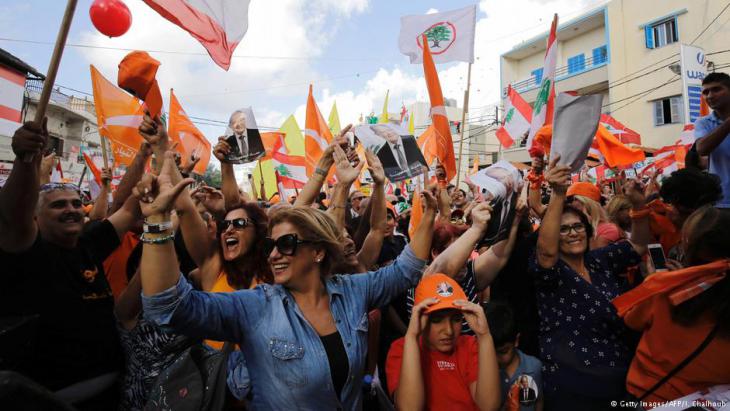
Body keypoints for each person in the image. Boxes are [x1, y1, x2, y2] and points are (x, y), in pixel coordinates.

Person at [138, 154, 439, 409]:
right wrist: (156, 222)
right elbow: (169, 307)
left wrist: (430, 216)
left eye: (287, 244)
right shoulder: (255, 307)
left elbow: (404, 272)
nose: (273, 255)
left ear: (319, 251)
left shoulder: (353, 291)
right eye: (270, 246)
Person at [0, 120, 141, 409]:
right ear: (36, 217)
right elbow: (14, 213)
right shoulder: (26, 250)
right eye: (58, 205)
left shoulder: (88, 243)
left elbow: (128, 206)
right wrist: (26, 160)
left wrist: (148, 154)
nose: (72, 210)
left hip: (111, 395)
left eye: (77, 203)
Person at [531, 154, 651, 410]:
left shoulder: (601, 260)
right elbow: (547, 253)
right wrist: (558, 194)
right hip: (573, 389)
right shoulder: (550, 275)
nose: (573, 233)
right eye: (563, 229)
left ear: (588, 229)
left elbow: (639, 244)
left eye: (577, 226)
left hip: (623, 382)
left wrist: (640, 207)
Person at [614, 206, 730, 406]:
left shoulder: (666, 287)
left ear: (687, 245)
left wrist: (654, 281)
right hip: (712, 402)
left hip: (652, 396)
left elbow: (633, 321)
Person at [385, 274, 500, 411]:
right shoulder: (402, 348)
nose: (449, 331)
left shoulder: (470, 345)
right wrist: (412, 337)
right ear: (420, 318)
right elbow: (409, 408)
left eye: (456, 319)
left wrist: (484, 336)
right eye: (437, 320)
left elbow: (489, 406)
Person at [486, 301, 543, 411]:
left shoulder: (534, 368)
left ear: (516, 341)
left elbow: (539, 401)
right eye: (491, 353)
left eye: (503, 351)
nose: (496, 358)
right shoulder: (485, 373)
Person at [694, 72, 730, 208]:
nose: (709, 96)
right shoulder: (703, 123)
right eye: (706, 92)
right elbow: (702, 149)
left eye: (716, 89)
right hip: (722, 202)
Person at [566, 182, 622, 249]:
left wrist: (588, 228)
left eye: (572, 199)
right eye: (568, 200)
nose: (569, 204)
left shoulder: (608, 230)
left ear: (587, 202)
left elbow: (595, 257)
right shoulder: (572, 227)